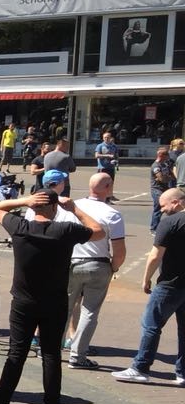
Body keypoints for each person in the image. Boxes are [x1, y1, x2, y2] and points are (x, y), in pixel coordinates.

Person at [0, 173, 104, 404]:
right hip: (55, 300)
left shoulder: (20, 227)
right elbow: (99, 232)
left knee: (16, 353)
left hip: (24, 301)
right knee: (51, 354)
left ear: (34, 206)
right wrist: (75, 209)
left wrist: (25, 200)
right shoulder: (65, 229)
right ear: (56, 208)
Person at [113, 188, 185, 385]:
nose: (161, 210)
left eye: (164, 206)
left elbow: (155, 255)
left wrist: (146, 279)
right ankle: (182, 372)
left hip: (170, 284)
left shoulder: (170, 222)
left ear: (177, 202)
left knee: (151, 325)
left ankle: (141, 367)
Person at [62, 172, 126, 370]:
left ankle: (50, 348)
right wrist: (114, 267)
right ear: (109, 187)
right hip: (97, 263)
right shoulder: (112, 214)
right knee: (90, 311)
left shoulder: (70, 207)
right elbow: (119, 249)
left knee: (62, 307)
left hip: (69, 261)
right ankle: (78, 355)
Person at [151, 148, 174, 231]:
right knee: (159, 209)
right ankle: (154, 228)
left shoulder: (165, 165)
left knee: (170, 208)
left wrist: (165, 177)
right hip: (157, 190)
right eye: (167, 155)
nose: (168, 157)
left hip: (165, 189)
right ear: (161, 155)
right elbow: (161, 179)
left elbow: (172, 176)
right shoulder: (155, 166)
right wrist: (166, 177)